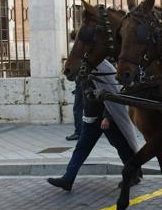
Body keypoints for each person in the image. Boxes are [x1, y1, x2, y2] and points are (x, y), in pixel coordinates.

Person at [48, 59, 141, 191]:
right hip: (91, 118)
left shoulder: (105, 67)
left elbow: (113, 93)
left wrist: (107, 117)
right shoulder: (84, 66)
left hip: (106, 120)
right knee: (81, 148)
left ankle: (134, 175)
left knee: (122, 147)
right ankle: (68, 179)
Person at [66, 30, 83, 141]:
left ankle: (78, 132)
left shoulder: (76, 48)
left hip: (82, 81)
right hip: (85, 80)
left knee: (78, 108)